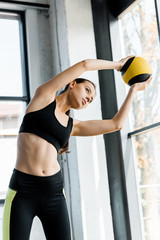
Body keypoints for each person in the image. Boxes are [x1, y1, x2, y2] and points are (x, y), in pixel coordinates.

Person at [3, 56, 152, 240]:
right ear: (72, 83)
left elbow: (116, 124)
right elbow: (85, 65)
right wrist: (119, 65)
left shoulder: (73, 126)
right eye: (87, 91)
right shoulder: (43, 97)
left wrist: (133, 89)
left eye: (90, 100)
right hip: (22, 192)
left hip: (54, 193)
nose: (87, 99)